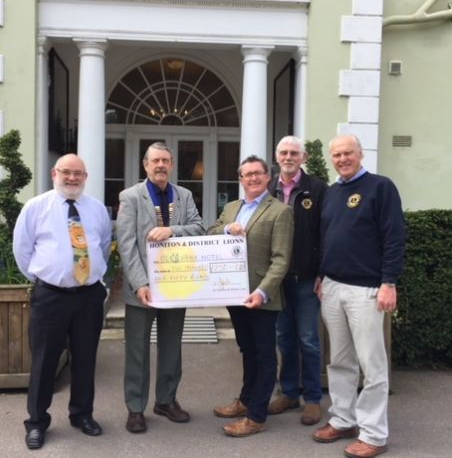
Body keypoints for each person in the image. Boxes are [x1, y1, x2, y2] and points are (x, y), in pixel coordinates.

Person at [312, 135, 405, 458]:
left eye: (348, 153)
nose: (342, 159)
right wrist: (322, 274)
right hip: (333, 287)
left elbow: (394, 237)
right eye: (336, 154)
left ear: (361, 154)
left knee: (372, 364)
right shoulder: (333, 193)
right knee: (339, 361)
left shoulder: (381, 187)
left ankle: (375, 434)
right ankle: (343, 419)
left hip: (367, 289)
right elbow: (328, 238)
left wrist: (389, 282)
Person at [13, 154, 112, 450]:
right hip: (51, 297)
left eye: (78, 174)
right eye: (67, 172)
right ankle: (37, 422)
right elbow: (22, 250)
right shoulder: (36, 207)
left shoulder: (96, 209)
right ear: (55, 173)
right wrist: (46, 278)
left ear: (85, 177)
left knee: (85, 358)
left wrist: (89, 274)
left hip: (88, 296)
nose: (72, 178)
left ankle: (82, 414)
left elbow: (104, 246)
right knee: (44, 361)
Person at [116, 142, 204, 434]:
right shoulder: (130, 197)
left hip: (175, 286)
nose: (160, 165)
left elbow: (198, 227)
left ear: (172, 164)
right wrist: (139, 282)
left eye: (165, 160)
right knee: (137, 351)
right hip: (142, 288)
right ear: (145, 165)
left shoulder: (185, 195)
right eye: (155, 160)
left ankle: (166, 401)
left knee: (171, 346)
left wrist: (172, 230)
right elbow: (126, 245)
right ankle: (136, 408)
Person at [209, 155, 294, 437]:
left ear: (268, 177)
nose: (253, 178)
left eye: (258, 173)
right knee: (247, 350)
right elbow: (211, 233)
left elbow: (281, 260)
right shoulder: (232, 207)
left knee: (265, 355)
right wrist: (226, 228)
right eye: (247, 174)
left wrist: (262, 292)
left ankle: (256, 416)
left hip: (262, 298)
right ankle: (246, 400)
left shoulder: (280, 211)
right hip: (234, 293)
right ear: (240, 178)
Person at [267, 136, 327, 425]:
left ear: (303, 157)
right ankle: (288, 392)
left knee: (308, 340)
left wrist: (322, 274)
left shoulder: (317, 189)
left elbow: (327, 234)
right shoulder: (268, 188)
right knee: (284, 339)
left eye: (294, 153)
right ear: (277, 157)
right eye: (284, 152)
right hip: (276, 280)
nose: (288, 157)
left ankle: (313, 398)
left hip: (305, 279)